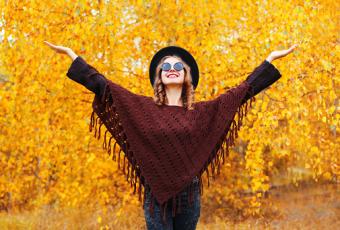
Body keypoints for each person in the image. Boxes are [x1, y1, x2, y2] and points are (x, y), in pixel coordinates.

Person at [44, 41, 298, 230]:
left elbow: (241, 93)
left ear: (187, 76)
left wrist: (269, 60)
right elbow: (104, 87)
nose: (172, 69)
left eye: (179, 66)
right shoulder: (142, 108)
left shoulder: (202, 112)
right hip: (156, 193)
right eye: (165, 67)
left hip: (190, 193)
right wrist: (73, 56)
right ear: (159, 77)